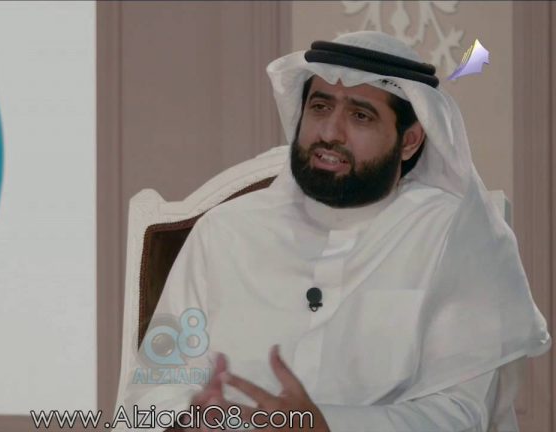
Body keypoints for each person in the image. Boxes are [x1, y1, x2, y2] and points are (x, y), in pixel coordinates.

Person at [114, 31, 551, 432]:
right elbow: (155, 386)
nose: (329, 133)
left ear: (410, 141)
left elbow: (461, 414)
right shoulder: (225, 231)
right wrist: (187, 419)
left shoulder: (453, 235)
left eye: (360, 116)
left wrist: (325, 425)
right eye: (320, 107)